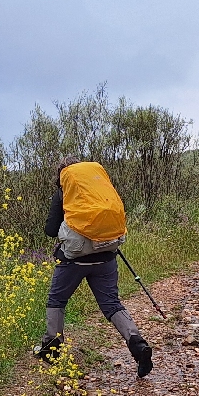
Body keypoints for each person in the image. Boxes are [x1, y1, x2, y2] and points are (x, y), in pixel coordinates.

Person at [34, 158, 154, 377]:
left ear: (63, 176)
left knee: (57, 300)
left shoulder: (64, 193)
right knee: (111, 303)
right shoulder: (99, 191)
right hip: (106, 257)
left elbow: (51, 230)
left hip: (74, 260)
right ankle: (138, 345)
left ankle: (52, 349)